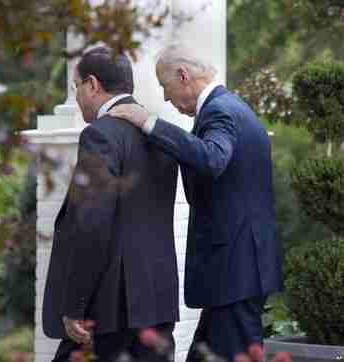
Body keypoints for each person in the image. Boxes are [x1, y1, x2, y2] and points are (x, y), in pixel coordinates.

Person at [108, 44, 284, 361]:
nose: (165, 98)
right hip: (236, 272)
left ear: (183, 75)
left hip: (235, 272)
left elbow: (212, 158)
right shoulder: (231, 107)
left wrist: (149, 123)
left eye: (165, 86)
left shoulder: (220, 111)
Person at [42, 46, 179, 362]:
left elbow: (92, 223)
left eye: (76, 87)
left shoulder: (100, 135)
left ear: (92, 85)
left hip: (110, 308)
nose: (76, 97)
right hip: (157, 298)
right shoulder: (161, 132)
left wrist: (74, 306)